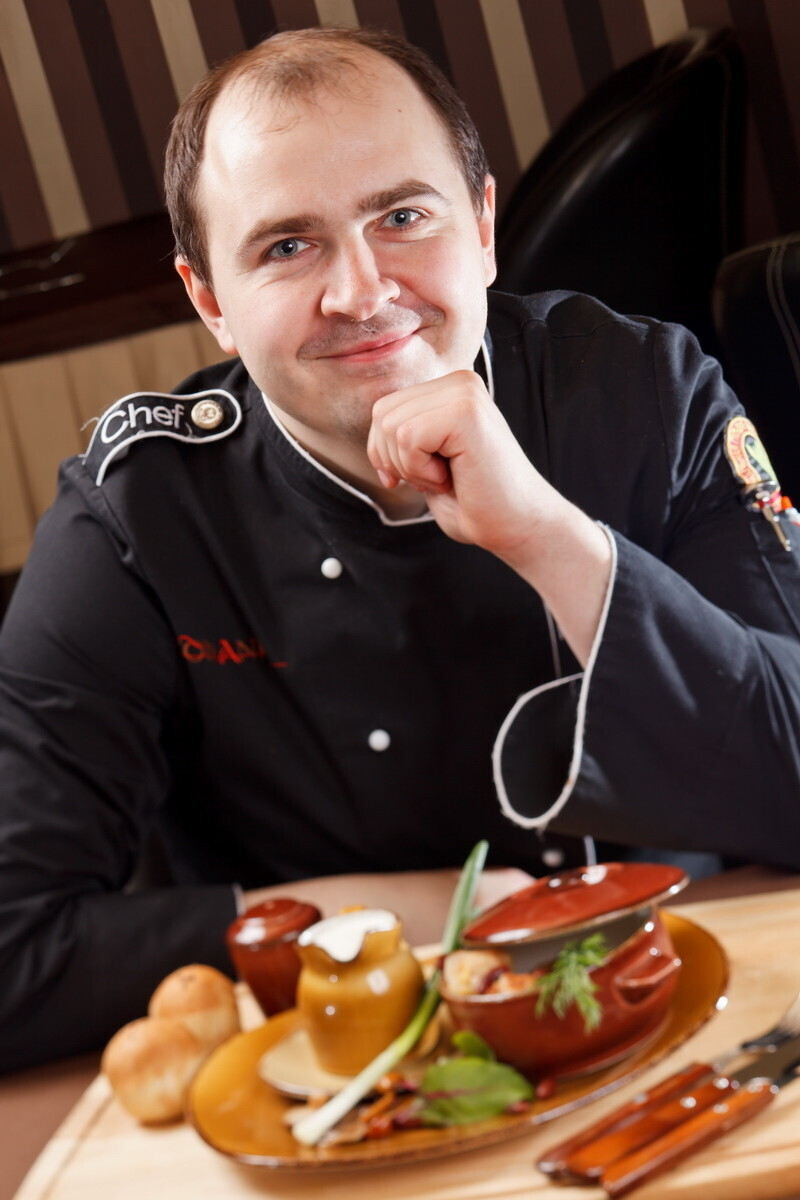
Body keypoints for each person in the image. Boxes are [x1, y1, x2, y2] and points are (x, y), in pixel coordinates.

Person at [1, 26, 799, 1075]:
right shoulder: (138, 515)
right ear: (210, 303)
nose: (362, 292)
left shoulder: (644, 392)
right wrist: (400, 914)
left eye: (403, 217)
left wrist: (548, 536)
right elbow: (11, 950)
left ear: (483, 227)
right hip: (351, 1084)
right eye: (287, 247)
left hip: (695, 1016)